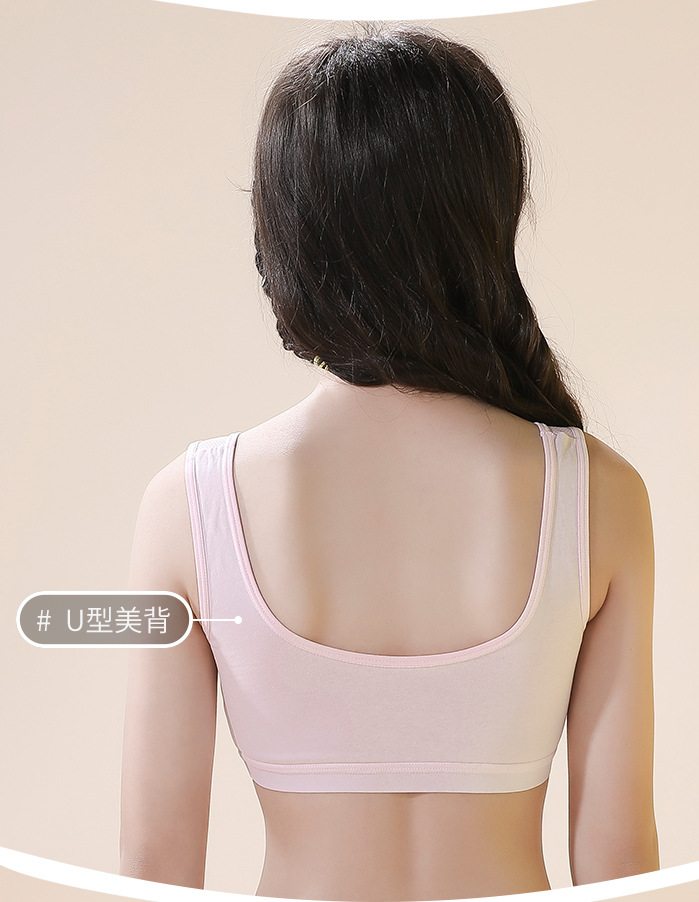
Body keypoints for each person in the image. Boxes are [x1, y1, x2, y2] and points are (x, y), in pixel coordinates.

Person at [119, 24, 659, 901]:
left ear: (287, 230)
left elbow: (155, 871)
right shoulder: (599, 494)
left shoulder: (190, 505)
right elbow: (620, 859)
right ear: (485, 215)